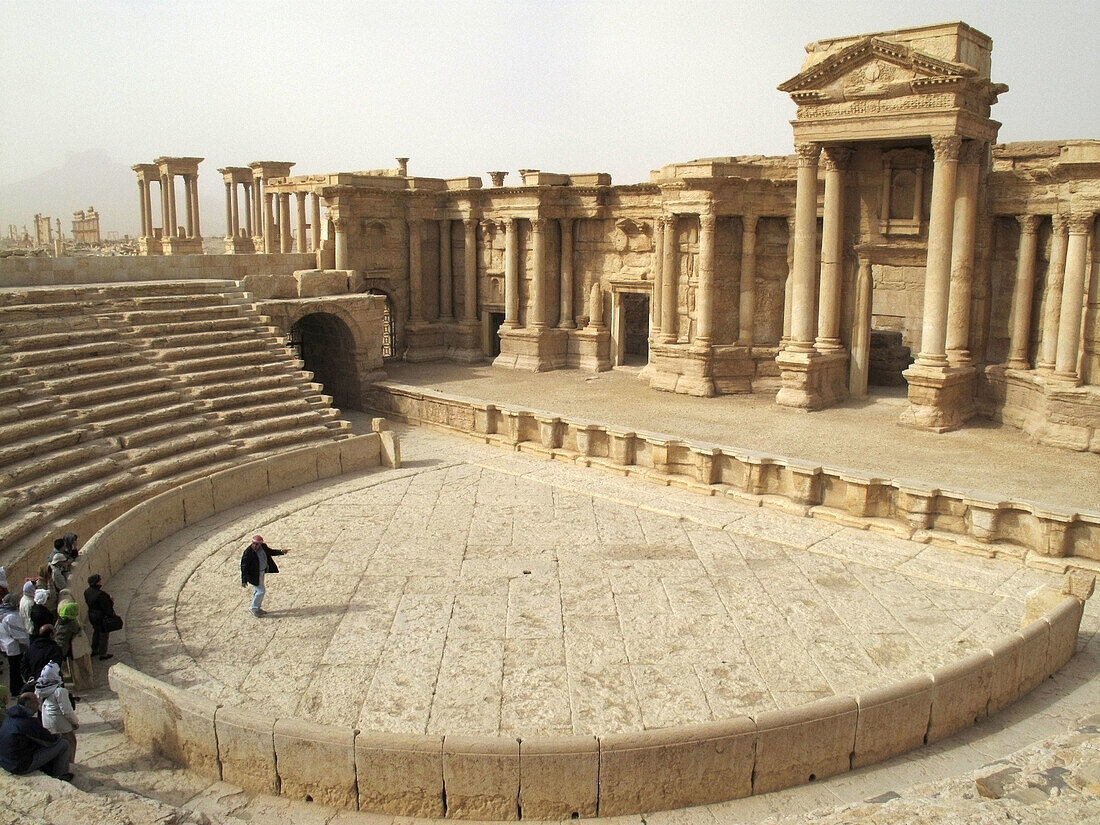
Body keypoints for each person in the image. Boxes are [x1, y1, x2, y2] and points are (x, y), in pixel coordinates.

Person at [0, 693, 72, 781]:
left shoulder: (10, 716)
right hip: (19, 766)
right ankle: (60, 775)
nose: (38, 704)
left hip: (5, 761)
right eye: (36, 702)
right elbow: (51, 741)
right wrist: (58, 735)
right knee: (63, 744)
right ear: (28, 704)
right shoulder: (27, 722)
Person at [34, 662, 78, 762]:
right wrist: (74, 722)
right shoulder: (59, 691)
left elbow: (39, 705)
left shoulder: (39, 689)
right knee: (70, 743)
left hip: (47, 720)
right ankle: (70, 765)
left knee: (56, 745)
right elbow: (66, 711)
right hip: (60, 723)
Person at [239, 534, 288, 618]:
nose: (255, 545)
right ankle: (254, 608)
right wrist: (244, 580)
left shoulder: (263, 547)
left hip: (261, 572)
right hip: (254, 574)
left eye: (257, 544)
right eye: (254, 543)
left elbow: (271, 552)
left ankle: (256, 607)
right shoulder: (248, 553)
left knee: (257, 590)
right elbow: (244, 567)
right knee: (261, 591)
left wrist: (281, 552)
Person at [0, 594, 30, 698]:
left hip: (7, 645)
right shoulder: (10, 617)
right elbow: (18, 635)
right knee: (15, 668)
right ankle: (16, 689)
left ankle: (18, 685)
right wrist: (27, 643)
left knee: (15, 668)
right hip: (13, 646)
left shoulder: (3, 612)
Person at [83, 575, 117, 660]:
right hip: (101, 617)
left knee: (96, 632)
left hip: (92, 615)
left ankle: (95, 649)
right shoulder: (101, 594)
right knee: (103, 635)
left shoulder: (87, 591)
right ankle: (103, 653)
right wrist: (111, 602)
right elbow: (107, 607)